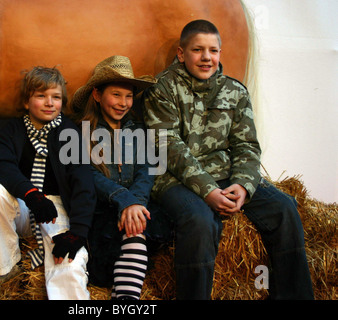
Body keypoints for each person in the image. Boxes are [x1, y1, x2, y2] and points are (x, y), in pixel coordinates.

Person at [142, 20, 314, 299]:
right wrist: (208, 191)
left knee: (284, 208)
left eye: (213, 50)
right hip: (173, 177)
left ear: (220, 53)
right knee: (199, 220)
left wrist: (244, 185)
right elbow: (167, 145)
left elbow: (246, 145)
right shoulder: (161, 89)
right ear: (181, 53)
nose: (206, 57)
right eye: (197, 50)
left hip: (225, 171)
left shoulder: (235, 91)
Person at [0, 66, 96, 300]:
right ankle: (6, 267)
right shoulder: (13, 129)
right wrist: (31, 194)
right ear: (27, 102)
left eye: (56, 97)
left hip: (56, 207)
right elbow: (2, 167)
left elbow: (83, 183)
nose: (49, 103)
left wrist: (77, 233)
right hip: (22, 203)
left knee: (68, 262)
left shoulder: (69, 132)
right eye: (41, 96)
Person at [68, 56, 168, 300]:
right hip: (101, 211)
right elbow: (87, 174)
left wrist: (136, 203)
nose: (123, 103)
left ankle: (125, 300)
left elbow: (147, 171)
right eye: (116, 95)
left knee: (137, 231)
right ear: (97, 95)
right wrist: (124, 199)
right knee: (123, 240)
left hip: (136, 206)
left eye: (129, 96)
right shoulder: (79, 132)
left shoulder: (139, 131)